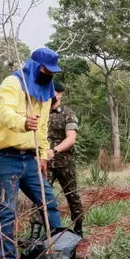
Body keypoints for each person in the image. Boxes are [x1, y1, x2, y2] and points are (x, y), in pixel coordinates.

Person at [0, 48, 63, 259]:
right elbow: (5, 113)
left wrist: (42, 153)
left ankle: (53, 255)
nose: (48, 75)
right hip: (4, 157)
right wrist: (22, 122)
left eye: (51, 72)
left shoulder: (46, 92)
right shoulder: (12, 83)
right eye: (44, 70)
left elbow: (43, 127)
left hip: (29, 158)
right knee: (7, 211)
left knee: (49, 203)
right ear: (34, 66)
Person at [47, 82, 83, 237]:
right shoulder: (41, 113)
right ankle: (35, 233)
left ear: (60, 94)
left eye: (54, 92)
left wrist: (54, 150)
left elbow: (71, 139)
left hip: (64, 162)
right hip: (45, 163)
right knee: (41, 195)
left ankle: (78, 228)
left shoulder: (68, 114)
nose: (51, 95)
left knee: (72, 195)